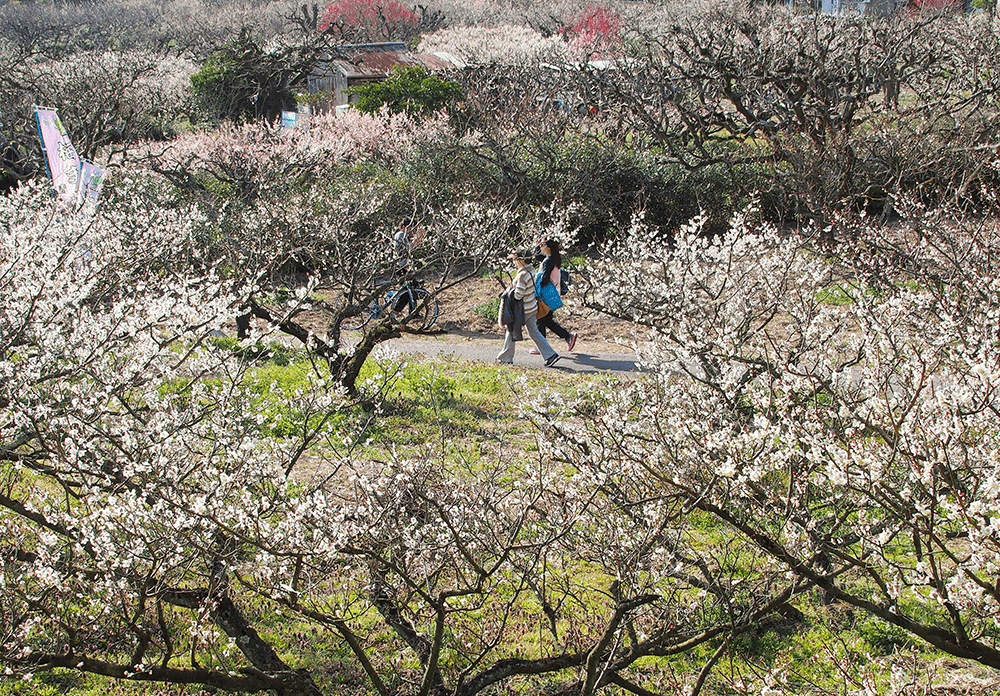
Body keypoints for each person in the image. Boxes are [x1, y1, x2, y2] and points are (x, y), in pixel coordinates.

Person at [496, 248, 561, 367]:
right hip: (532, 307)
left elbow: (518, 295)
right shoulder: (531, 270)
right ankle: (550, 355)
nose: (515, 262)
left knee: (511, 332)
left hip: (522, 310)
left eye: (515, 259)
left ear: (521, 260)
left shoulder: (522, 275)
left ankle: (505, 358)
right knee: (534, 332)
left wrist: (510, 291)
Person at [530, 238, 577, 354]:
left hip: (546, 295)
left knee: (540, 320)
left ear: (548, 247)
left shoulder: (548, 261)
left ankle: (542, 347)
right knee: (546, 321)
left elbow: (545, 279)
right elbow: (536, 256)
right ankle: (568, 336)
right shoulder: (552, 259)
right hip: (553, 294)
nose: (541, 247)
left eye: (543, 245)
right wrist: (538, 244)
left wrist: (537, 286)